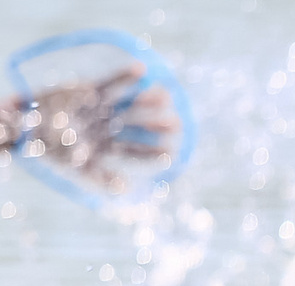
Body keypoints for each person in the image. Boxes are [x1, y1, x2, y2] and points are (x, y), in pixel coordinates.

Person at [5, 60, 182, 197]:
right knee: (107, 133)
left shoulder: (20, 109)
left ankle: (164, 132)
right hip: (58, 135)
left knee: (101, 104)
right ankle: (165, 142)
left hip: (59, 120)